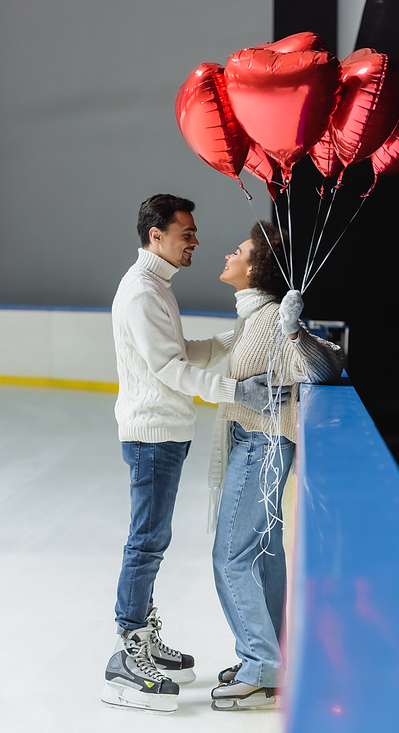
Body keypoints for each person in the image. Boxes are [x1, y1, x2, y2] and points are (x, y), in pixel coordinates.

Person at [102, 195, 289, 714]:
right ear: (155, 236)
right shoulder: (141, 292)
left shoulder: (156, 288)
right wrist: (235, 390)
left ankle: (141, 632)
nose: (196, 241)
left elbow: (179, 350)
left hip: (167, 432)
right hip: (152, 433)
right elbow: (169, 369)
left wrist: (232, 340)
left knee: (153, 538)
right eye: (186, 233)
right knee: (146, 540)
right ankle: (127, 648)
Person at [208, 220, 344, 711]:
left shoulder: (268, 317)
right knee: (263, 556)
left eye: (238, 250)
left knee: (230, 555)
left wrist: (294, 328)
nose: (229, 255)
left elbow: (326, 367)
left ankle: (261, 665)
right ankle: (273, 657)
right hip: (256, 441)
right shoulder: (252, 316)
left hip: (261, 446)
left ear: (254, 267)